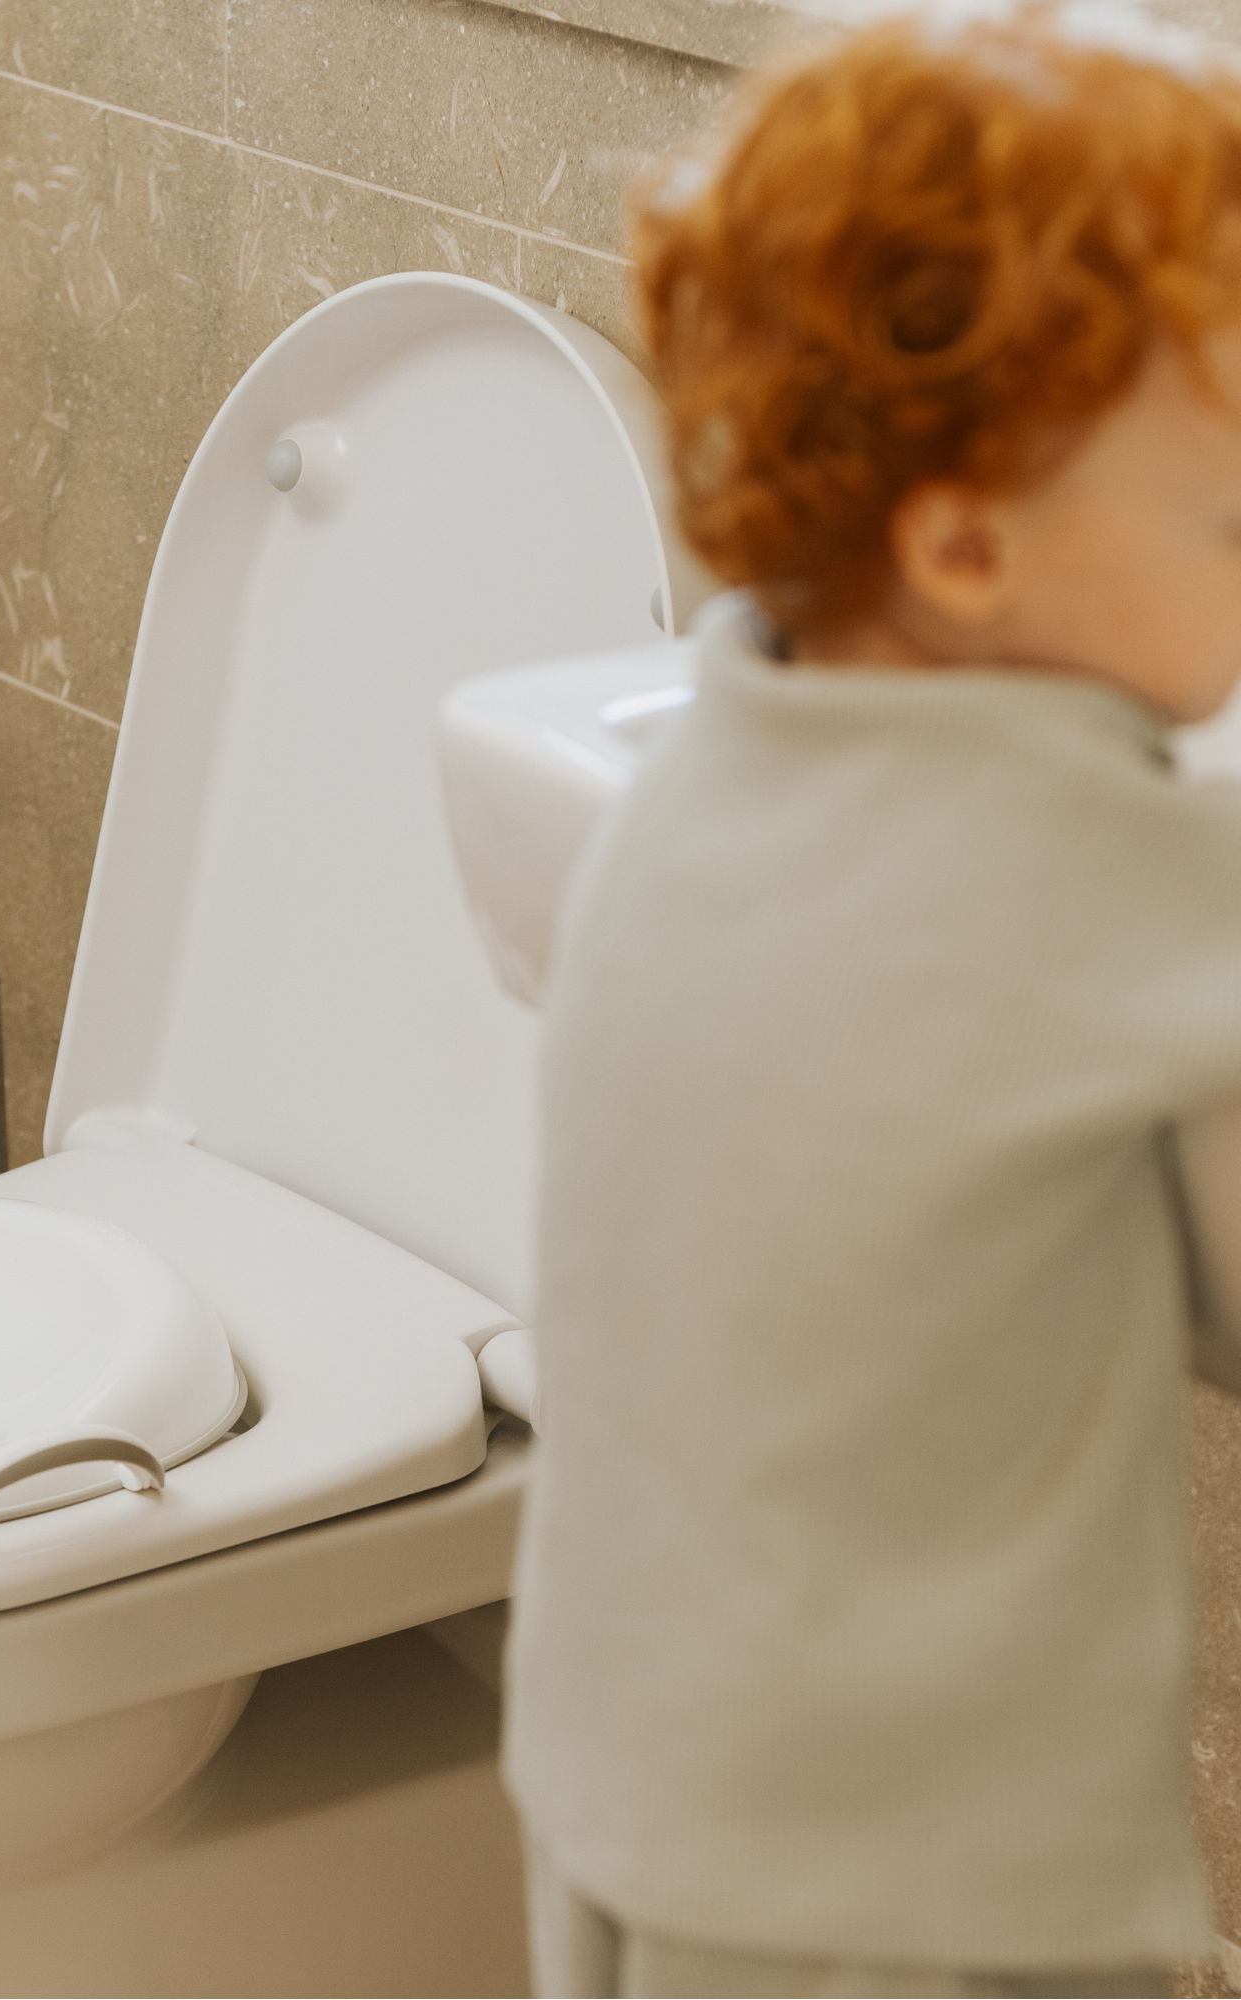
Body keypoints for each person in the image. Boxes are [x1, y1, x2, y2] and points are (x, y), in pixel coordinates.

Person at [504, 4, 1241, 1993]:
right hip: (921, 1884)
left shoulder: (701, 772)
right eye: (1232, 518)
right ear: (971, 544)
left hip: (627, 1791)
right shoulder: (1094, 872)